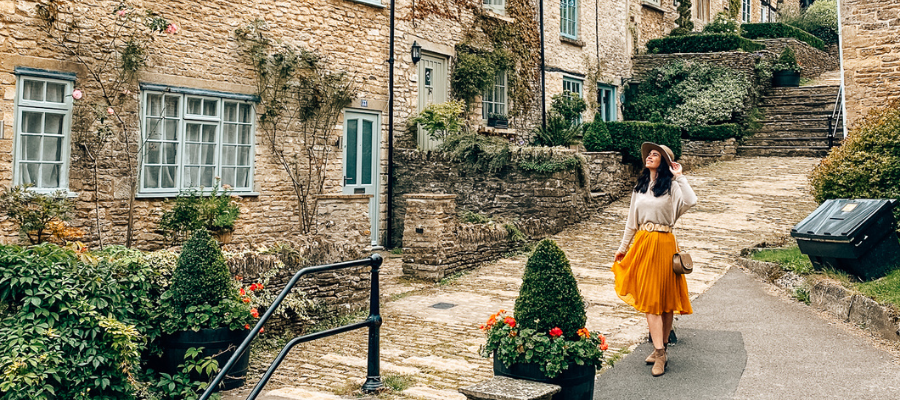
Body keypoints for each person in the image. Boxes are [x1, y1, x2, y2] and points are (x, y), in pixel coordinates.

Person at [612, 142, 697, 377]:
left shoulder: (672, 187)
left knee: (666, 300)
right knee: (651, 299)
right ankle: (659, 351)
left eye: (655, 154)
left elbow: (691, 201)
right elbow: (631, 222)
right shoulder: (639, 187)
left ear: (666, 162)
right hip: (643, 243)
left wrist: (679, 176)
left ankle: (662, 349)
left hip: (665, 243)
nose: (649, 156)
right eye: (649, 153)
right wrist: (623, 248)